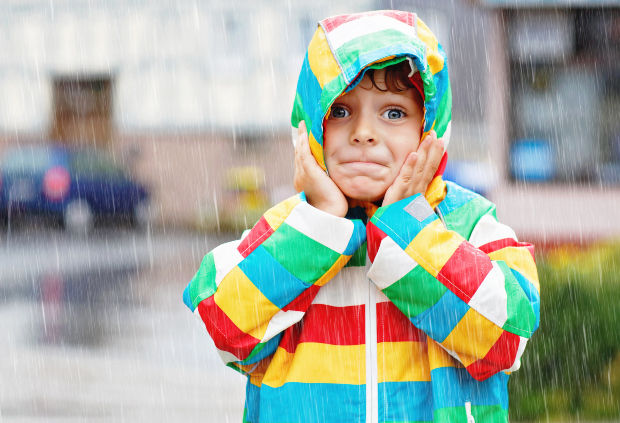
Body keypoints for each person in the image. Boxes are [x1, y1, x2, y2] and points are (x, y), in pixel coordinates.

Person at [183, 10, 540, 423]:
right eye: (340, 112)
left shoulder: (468, 223)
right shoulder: (290, 228)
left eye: (393, 113)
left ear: (429, 129)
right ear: (311, 128)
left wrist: (405, 227)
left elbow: (505, 338)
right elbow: (227, 328)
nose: (363, 132)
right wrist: (321, 223)